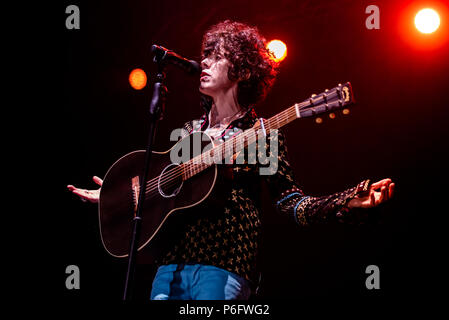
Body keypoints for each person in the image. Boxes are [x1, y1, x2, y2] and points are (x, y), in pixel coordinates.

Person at [67, 20, 395, 300]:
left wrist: (345, 200)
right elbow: (159, 200)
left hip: (223, 270)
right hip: (167, 270)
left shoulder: (262, 133)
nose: (204, 63)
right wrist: (116, 196)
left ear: (241, 70)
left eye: (216, 57)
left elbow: (290, 203)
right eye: (204, 56)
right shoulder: (187, 133)